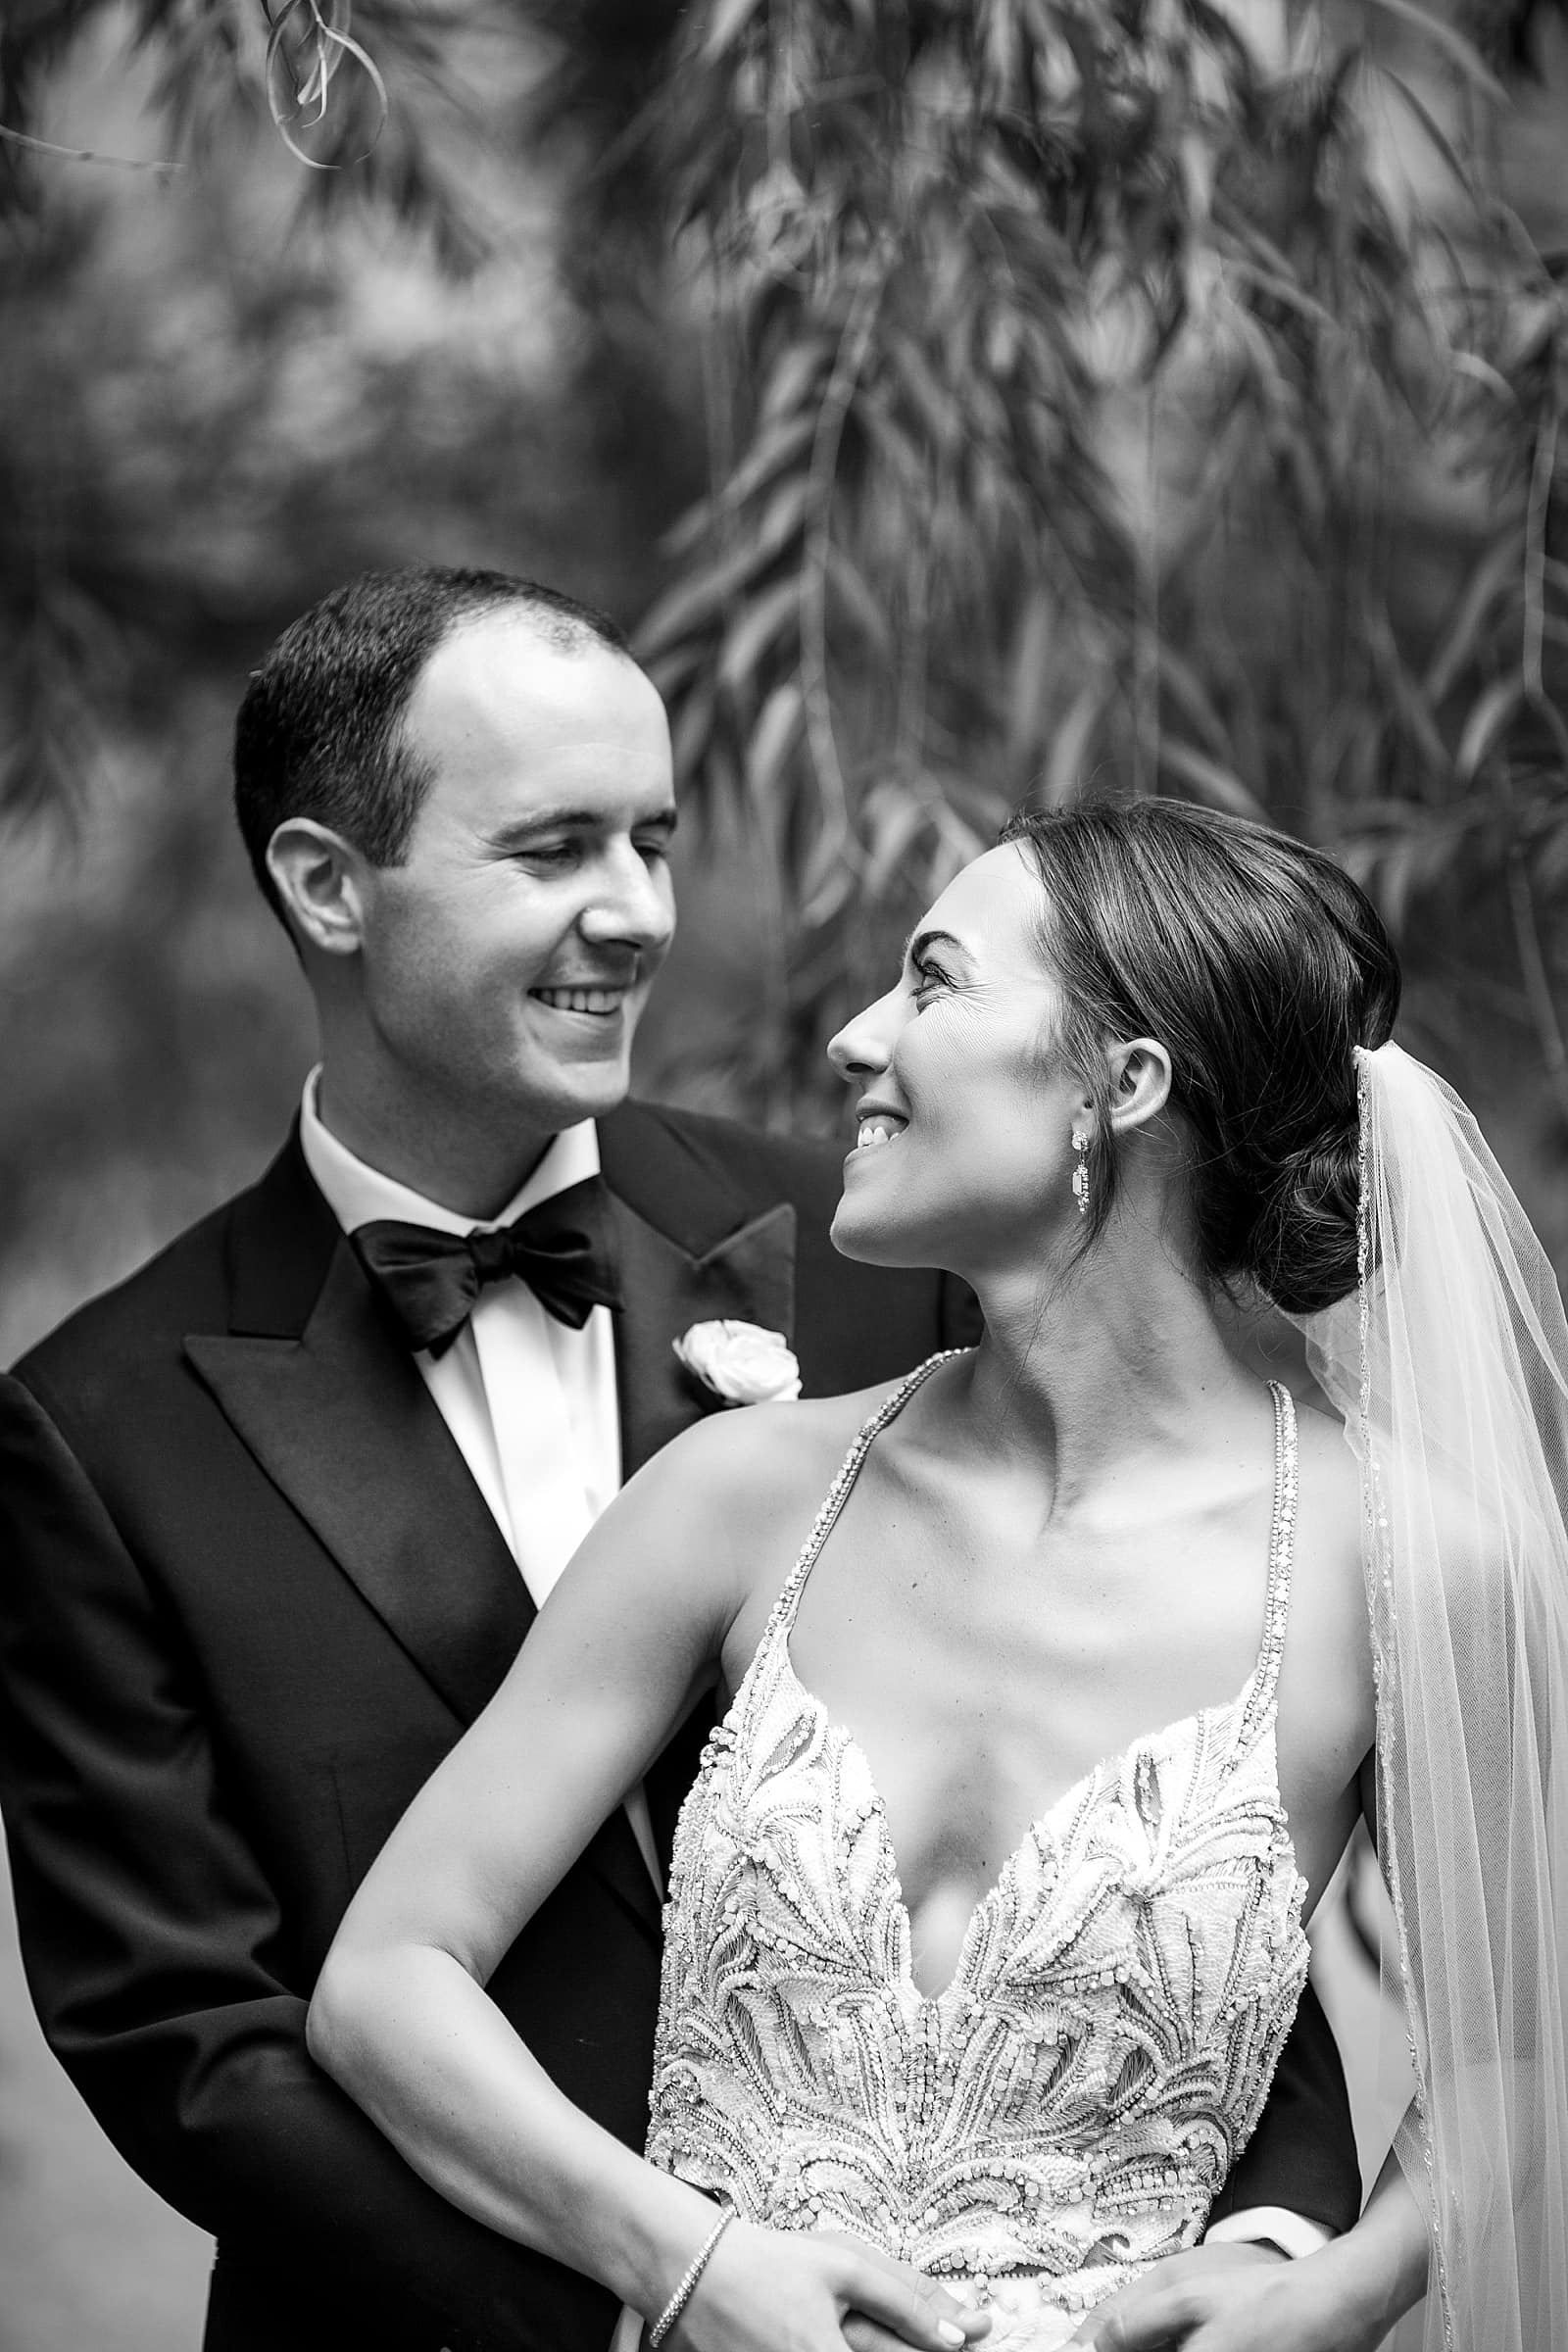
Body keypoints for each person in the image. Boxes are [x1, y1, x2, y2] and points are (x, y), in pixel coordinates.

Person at [0, 578, 1354, 2352]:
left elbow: (1183, 1870)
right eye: (556, 849)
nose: (635, 913)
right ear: (331, 885)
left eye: (653, 838)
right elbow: (193, 2046)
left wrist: (1271, 2238)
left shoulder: (893, 1248)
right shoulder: (100, 1432)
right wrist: (663, 2290)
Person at [308, 799, 1568, 2352]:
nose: (852, 1036)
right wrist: (687, 2264)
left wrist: (1339, 2287)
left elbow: (1525, 2050)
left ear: (1124, 1081)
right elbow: (386, 1978)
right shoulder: (737, 1495)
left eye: (934, 980)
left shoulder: (1422, 1563)